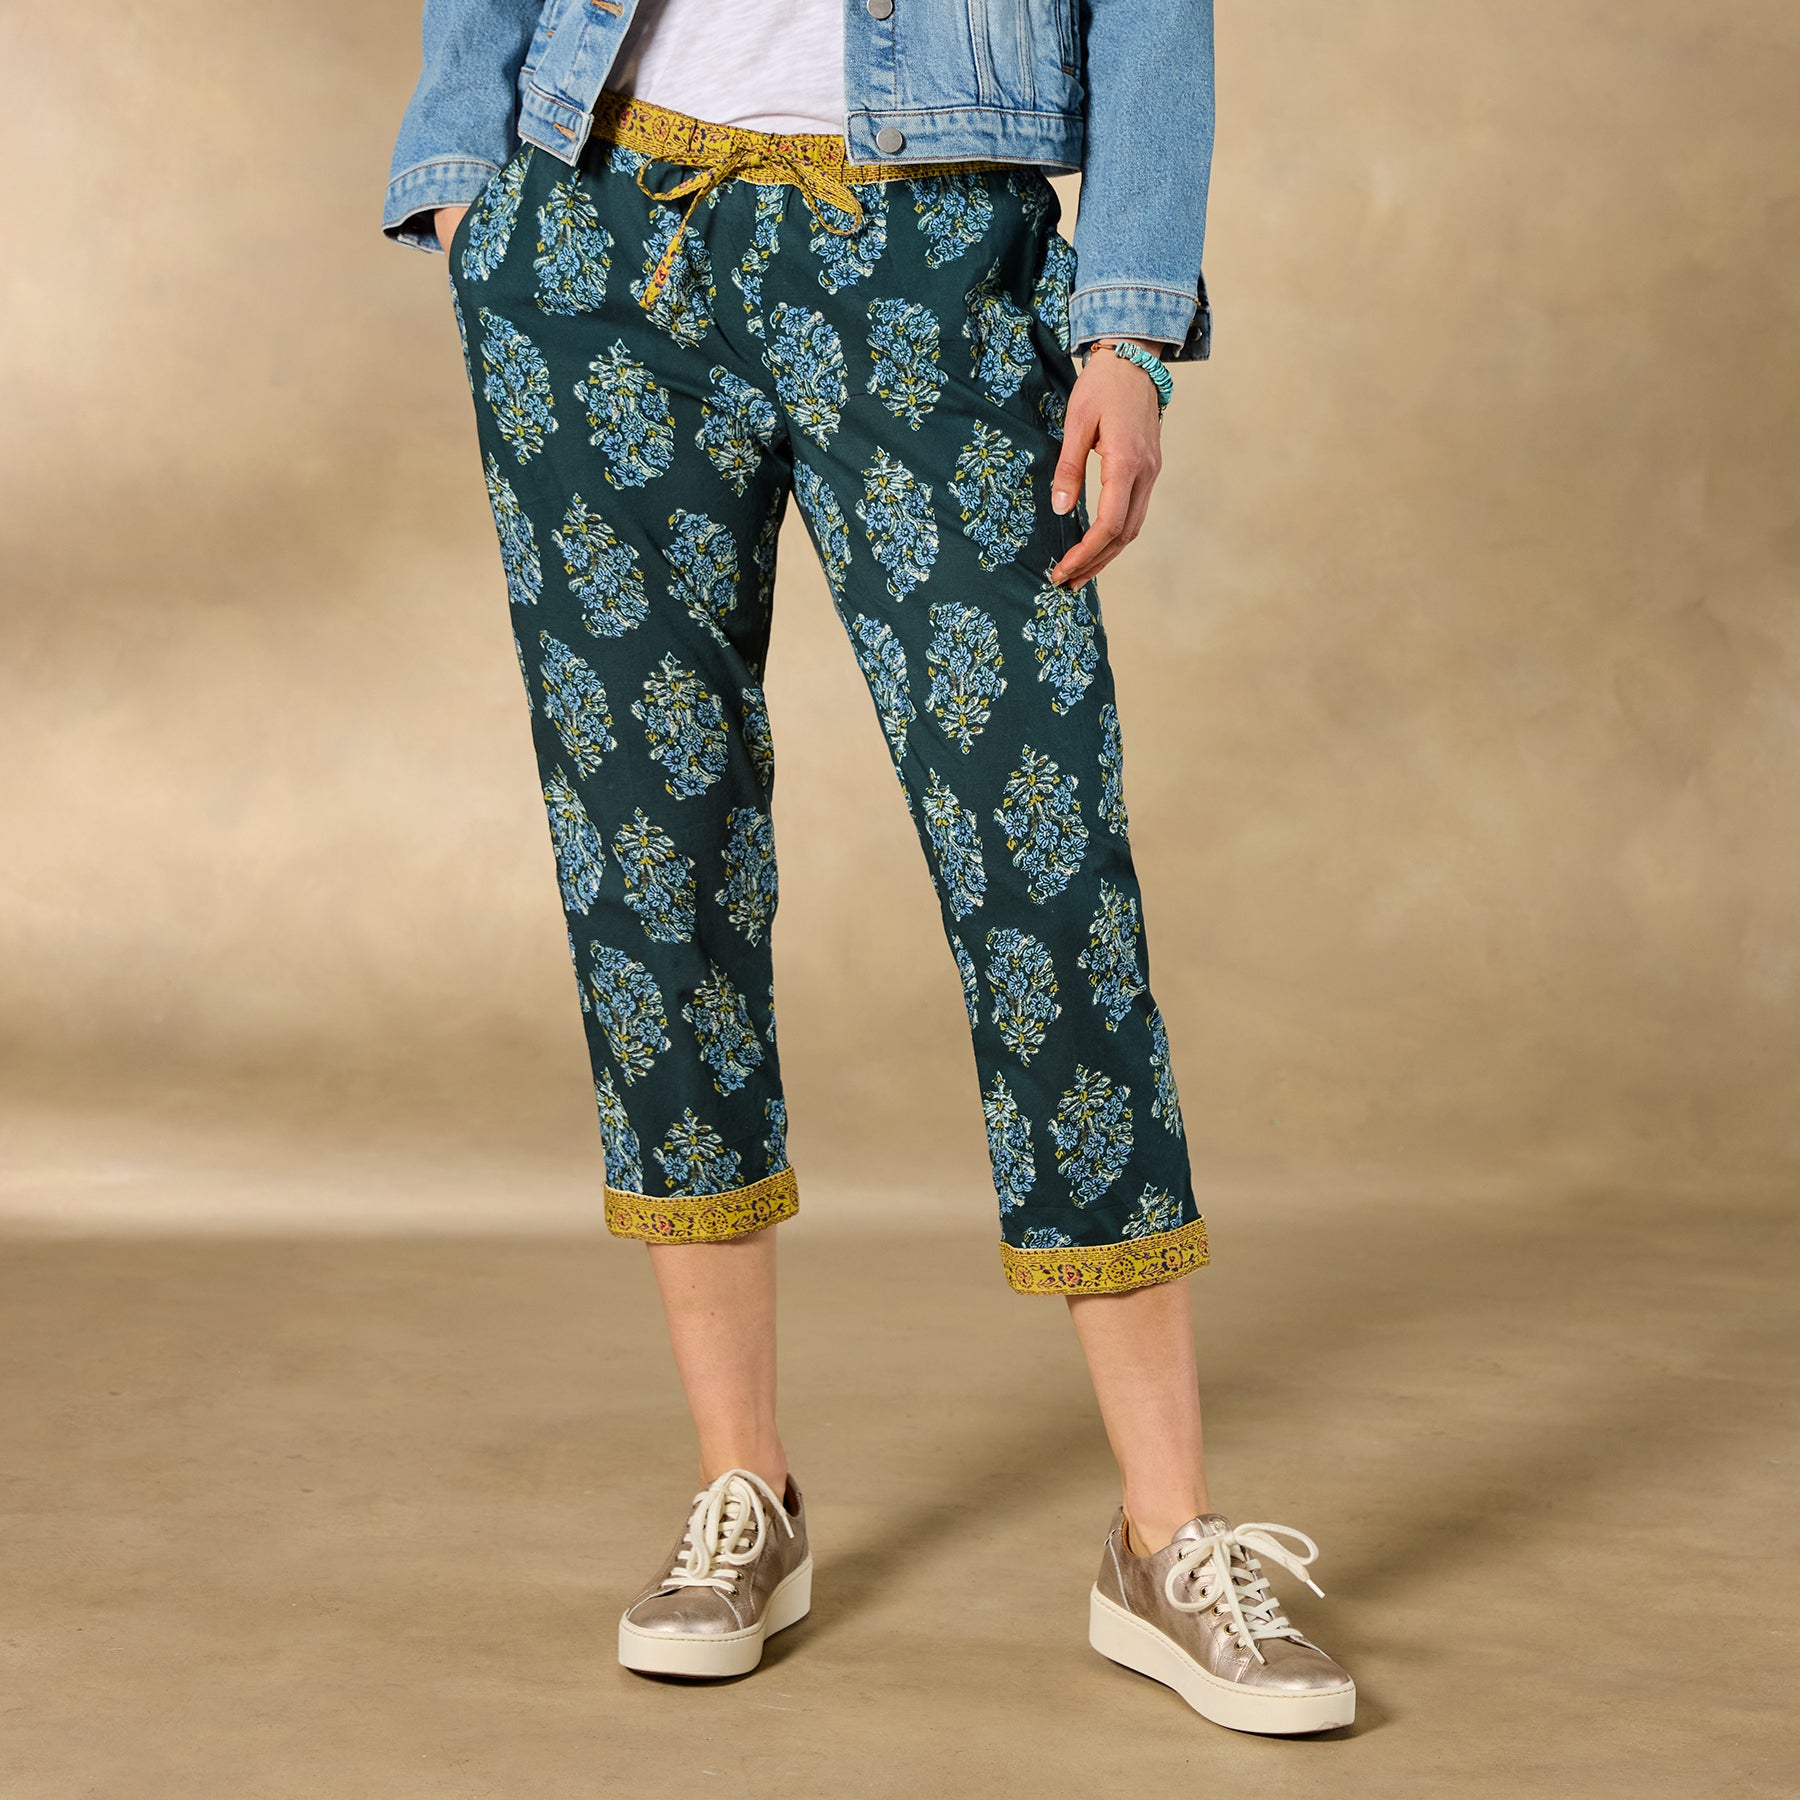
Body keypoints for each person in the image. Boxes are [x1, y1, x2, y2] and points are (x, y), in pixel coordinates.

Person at [382, 0, 1355, 1735]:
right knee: (651, 871)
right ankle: (741, 1491)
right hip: (596, 241)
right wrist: (466, 184)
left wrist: (1129, 326)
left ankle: (1167, 1537)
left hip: (933, 257)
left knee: (1041, 873)